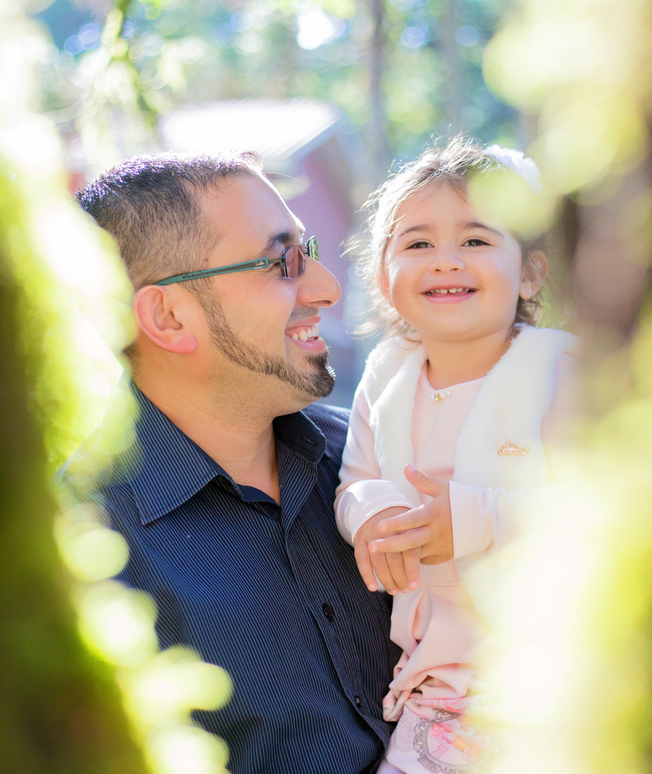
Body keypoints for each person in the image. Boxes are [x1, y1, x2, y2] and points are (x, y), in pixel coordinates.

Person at [61, 153, 400, 773]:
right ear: (168, 317)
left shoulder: (372, 457)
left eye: (309, 248)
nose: (327, 287)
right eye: (281, 262)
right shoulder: (78, 549)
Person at [335, 138, 577, 773]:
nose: (445, 261)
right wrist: (372, 513)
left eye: (475, 241)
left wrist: (472, 518)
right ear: (385, 276)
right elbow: (354, 481)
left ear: (530, 272)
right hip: (437, 689)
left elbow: (596, 511)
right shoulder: (386, 377)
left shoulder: (556, 370)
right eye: (417, 244)